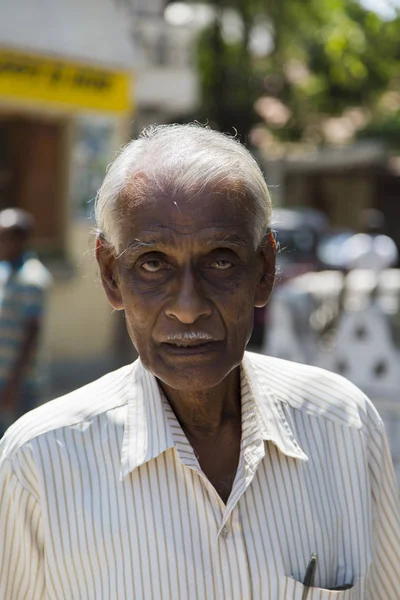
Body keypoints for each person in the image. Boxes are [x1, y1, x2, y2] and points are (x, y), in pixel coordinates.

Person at [0, 125, 399, 599]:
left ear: (265, 271)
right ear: (111, 276)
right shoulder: (39, 463)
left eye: (222, 260)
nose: (188, 306)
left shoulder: (346, 426)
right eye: (152, 262)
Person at [0, 209, 51, 437]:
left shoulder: (32, 278)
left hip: (19, 382)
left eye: (3, 237)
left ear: (19, 240)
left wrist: (13, 384)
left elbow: (32, 334)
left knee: (19, 441)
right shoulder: (6, 272)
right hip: (3, 375)